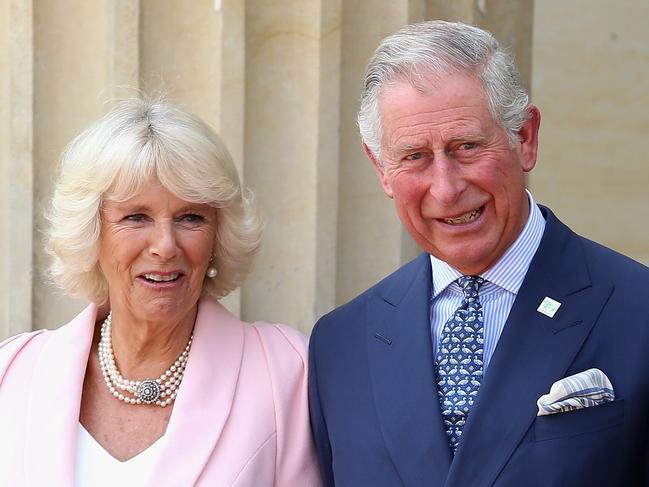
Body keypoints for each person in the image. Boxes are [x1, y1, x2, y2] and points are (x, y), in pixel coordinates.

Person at [308, 20, 649, 486]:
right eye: (414, 156)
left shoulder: (639, 310)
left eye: (467, 146)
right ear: (381, 168)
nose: (446, 189)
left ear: (525, 138)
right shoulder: (339, 345)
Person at [0, 98, 321, 486]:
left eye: (191, 217)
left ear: (218, 235)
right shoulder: (14, 372)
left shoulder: (285, 372)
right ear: (91, 233)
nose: (165, 246)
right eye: (136, 217)